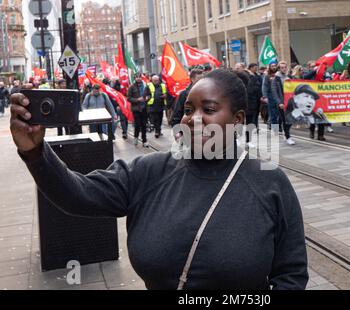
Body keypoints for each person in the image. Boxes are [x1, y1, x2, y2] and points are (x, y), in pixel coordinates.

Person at [10, 69, 309, 290]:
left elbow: (291, 275)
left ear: (238, 119)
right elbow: (77, 194)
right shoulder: (148, 172)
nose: (193, 119)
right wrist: (35, 151)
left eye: (209, 110)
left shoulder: (270, 184)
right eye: (189, 110)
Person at [272, 61, 295, 145]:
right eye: (282, 67)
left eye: (285, 67)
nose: (284, 69)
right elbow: (274, 92)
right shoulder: (276, 78)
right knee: (286, 120)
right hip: (282, 103)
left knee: (291, 120)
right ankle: (288, 136)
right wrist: (279, 103)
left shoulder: (289, 76)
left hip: (290, 102)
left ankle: (286, 133)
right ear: (279, 68)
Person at [128, 73, 150, 147]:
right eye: (136, 77)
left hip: (144, 108)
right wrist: (137, 99)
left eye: (139, 77)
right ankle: (136, 137)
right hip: (136, 109)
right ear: (134, 78)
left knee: (144, 125)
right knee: (137, 124)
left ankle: (144, 140)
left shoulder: (145, 86)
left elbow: (149, 94)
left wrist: (147, 97)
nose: (138, 78)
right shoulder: (131, 87)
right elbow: (129, 98)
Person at [245, 63, 263, 148]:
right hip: (244, 102)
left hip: (254, 102)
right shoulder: (246, 76)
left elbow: (259, 88)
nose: (256, 69)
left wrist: (261, 96)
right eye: (255, 68)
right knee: (240, 122)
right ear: (250, 68)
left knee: (250, 121)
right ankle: (236, 138)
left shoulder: (257, 76)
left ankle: (248, 140)